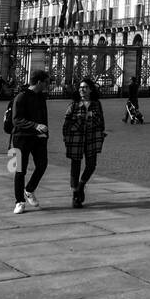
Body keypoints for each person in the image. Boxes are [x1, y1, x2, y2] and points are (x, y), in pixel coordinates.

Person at [10, 69, 51, 214]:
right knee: (19, 169)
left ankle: (29, 189)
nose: (48, 84)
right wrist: (35, 126)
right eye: (47, 82)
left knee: (42, 165)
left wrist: (45, 135)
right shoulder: (21, 97)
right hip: (20, 138)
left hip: (38, 138)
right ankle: (19, 201)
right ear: (39, 82)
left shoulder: (41, 97)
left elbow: (44, 117)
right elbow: (16, 120)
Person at [62, 78, 106, 208]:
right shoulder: (74, 104)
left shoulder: (97, 104)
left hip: (92, 138)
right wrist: (67, 137)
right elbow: (66, 124)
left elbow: (102, 121)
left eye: (85, 87)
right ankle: (75, 194)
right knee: (75, 167)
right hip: (76, 138)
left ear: (91, 89)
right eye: (81, 87)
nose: (82, 89)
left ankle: (81, 185)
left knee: (91, 165)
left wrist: (101, 132)